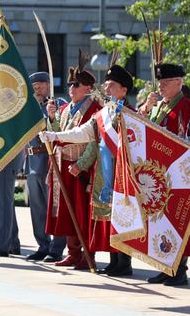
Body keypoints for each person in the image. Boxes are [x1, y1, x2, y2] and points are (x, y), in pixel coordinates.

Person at [40, 65, 135, 276]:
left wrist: (81, 163)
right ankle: (114, 259)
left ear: (124, 90)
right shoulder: (104, 112)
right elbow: (83, 133)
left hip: (122, 173)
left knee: (121, 216)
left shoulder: (130, 113)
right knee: (108, 215)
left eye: (111, 86)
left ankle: (124, 261)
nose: (107, 90)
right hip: (104, 172)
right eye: (107, 86)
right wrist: (55, 136)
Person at [141, 63, 190, 286]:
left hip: (176, 174)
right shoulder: (158, 106)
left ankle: (179, 270)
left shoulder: (186, 106)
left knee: (178, 222)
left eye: (166, 82)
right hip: (158, 174)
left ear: (179, 82)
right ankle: (164, 266)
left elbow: (188, 140)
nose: (161, 86)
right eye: (160, 82)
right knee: (160, 223)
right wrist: (147, 107)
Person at [44, 54, 101, 269]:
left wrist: (82, 164)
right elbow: (57, 134)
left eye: (76, 85)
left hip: (82, 167)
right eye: (70, 85)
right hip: (63, 163)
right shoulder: (66, 108)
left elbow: (94, 141)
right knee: (67, 212)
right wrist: (51, 118)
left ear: (87, 87)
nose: (71, 89)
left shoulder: (95, 109)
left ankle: (88, 254)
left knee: (83, 212)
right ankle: (73, 252)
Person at [24, 71, 67, 263]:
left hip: (49, 160)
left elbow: (62, 129)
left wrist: (51, 114)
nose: (39, 90)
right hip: (32, 160)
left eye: (42, 86)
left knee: (54, 206)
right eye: (35, 87)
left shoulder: (57, 105)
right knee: (37, 208)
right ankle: (42, 245)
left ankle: (57, 248)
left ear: (48, 86)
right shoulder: (28, 108)